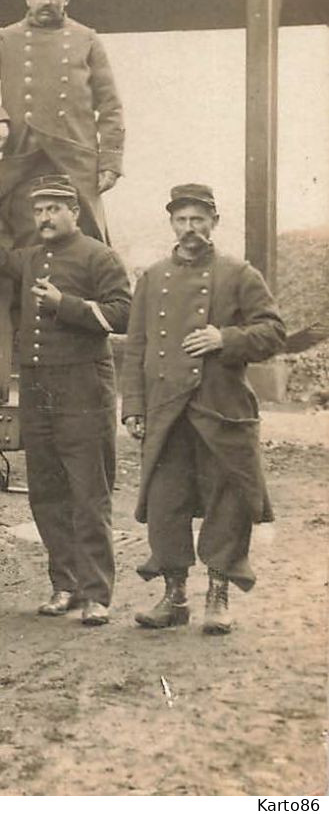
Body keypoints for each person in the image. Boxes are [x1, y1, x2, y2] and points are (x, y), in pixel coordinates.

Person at [0, 173, 130, 625]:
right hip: (38, 389)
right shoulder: (31, 258)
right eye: (39, 210)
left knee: (88, 493)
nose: (44, 218)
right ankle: (66, 585)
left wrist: (66, 304)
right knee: (47, 491)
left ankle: (97, 593)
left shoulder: (99, 257)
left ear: (74, 213)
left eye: (54, 209)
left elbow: (123, 313)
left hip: (84, 388)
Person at [123, 183, 285, 635]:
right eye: (182, 220)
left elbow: (273, 331)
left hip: (221, 409)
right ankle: (173, 597)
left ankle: (218, 596)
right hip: (166, 411)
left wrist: (225, 339)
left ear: (214, 222)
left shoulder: (239, 273)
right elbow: (136, 348)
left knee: (226, 501)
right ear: (171, 223)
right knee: (165, 502)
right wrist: (133, 406)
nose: (190, 229)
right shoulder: (152, 277)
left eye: (198, 219)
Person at [0, 0, 124, 248]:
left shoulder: (87, 40)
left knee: (85, 244)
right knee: (28, 244)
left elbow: (110, 106)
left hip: (76, 161)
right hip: (24, 160)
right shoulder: (5, 39)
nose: (46, 0)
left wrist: (110, 162)